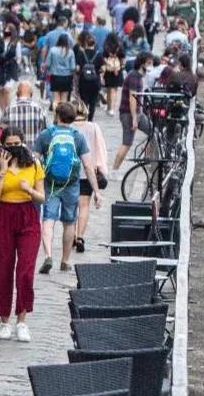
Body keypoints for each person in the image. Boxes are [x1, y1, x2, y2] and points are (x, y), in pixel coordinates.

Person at [0, 127, 45, 341]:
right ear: (2, 145)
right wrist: (2, 171)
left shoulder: (34, 164)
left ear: (23, 143)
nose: (12, 147)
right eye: (8, 144)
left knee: (25, 270)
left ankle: (22, 320)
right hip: (4, 214)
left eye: (16, 144)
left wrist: (29, 190)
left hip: (27, 215)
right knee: (2, 267)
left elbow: (42, 197)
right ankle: (4, 321)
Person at [34, 102, 102, 275]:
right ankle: (65, 261)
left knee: (48, 220)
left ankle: (48, 255)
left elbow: (34, 160)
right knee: (69, 222)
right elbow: (88, 166)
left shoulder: (46, 134)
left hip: (50, 184)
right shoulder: (78, 137)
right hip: (71, 184)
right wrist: (96, 191)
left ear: (57, 115)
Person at [71, 100, 107, 253]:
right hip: (88, 172)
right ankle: (80, 237)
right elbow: (100, 148)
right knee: (84, 205)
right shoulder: (93, 127)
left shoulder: (68, 128)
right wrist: (101, 167)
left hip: (70, 172)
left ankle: (72, 235)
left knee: (71, 206)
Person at [111, 53, 153, 177]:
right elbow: (132, 98)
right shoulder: (134, 76)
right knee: (127, 143)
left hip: (138, 113)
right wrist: (134, 118)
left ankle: (145, 156)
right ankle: (114, 171)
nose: (150, 65)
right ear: (142, 63)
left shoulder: (139, 76)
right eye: (149, 63)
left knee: (153, 132)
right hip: (129, 114)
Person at [0, 80, 48, 151]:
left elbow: (2, 133)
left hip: (14, 151)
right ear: (31, 93)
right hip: (34, 152)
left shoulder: (8, 110)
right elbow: (44, 133)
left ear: (17, 93)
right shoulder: (39, 109)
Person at [0, 23, 21, 113]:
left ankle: (8, 111)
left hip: (11, 69)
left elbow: (19, 57)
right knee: (1, 91)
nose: (7, 30)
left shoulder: (16, 43)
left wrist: (16, 64)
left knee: (7, 89)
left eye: (9, 29)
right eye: (6, 29)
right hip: (0, 68)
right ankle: (3, 113)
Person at [75, 31, 102, 121]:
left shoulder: (81, 53)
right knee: (93, 102)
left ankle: (84, 117)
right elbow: (102, 68)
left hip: (84, 81)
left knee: (84, 100)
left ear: (86, 43)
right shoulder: (98, 54)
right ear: (95, 43)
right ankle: (90, 119)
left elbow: (77, 68)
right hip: (95, 81)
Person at [98, 33, 125, 115]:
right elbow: (123, 60)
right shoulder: (120, 48)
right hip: (117, 71)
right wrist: (119, 67)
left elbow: (103, 59)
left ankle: (109, 107)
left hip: (108, 71)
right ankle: (112, 109)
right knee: (114, 90)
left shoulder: (106, 48)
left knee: (109, 90)